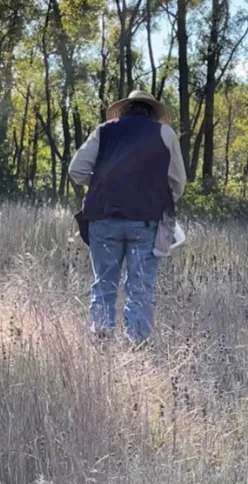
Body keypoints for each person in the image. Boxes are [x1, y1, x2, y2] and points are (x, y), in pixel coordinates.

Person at [68, 90, 187, 344]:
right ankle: (136, 348)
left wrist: (103, 184)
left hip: (102, 219)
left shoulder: (104, 131)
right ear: (153, 112)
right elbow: (178, 182)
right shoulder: (165, 133)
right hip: (147, 223)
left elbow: (76, 170)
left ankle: (100, 345)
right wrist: (157, 198)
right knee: (140, 289)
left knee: (104, 285)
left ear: (124, 110)